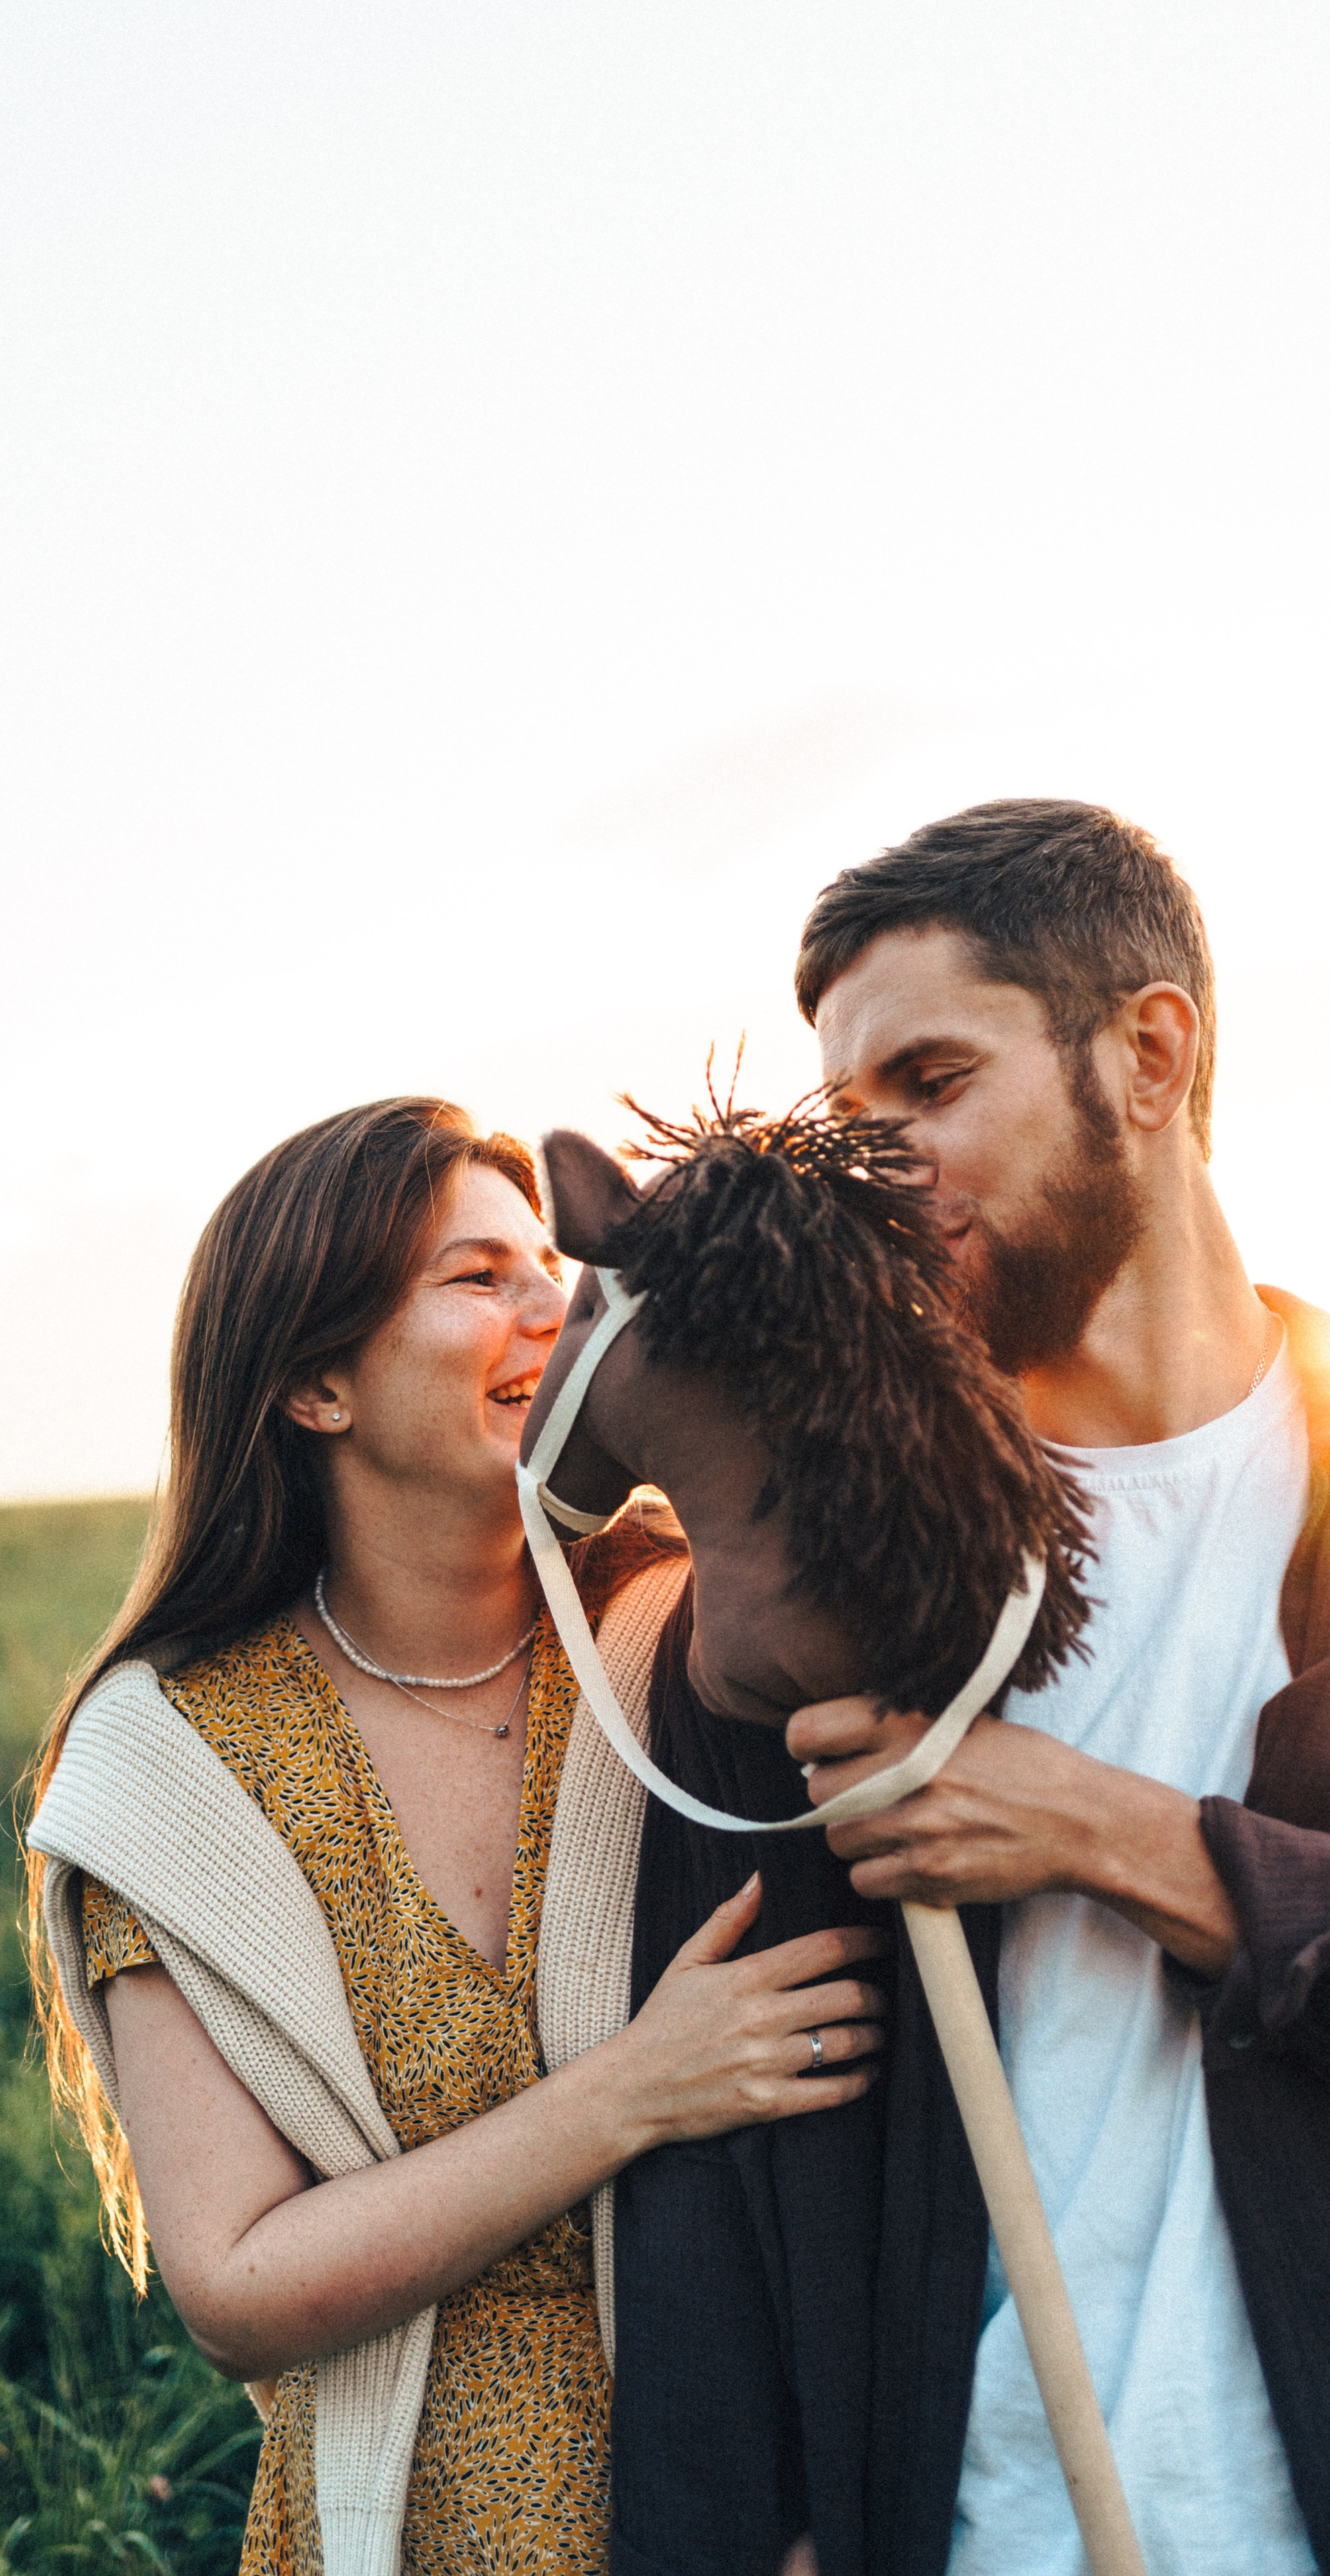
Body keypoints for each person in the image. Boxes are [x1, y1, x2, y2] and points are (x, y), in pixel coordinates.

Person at [21, 1095, 886, 2576]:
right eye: (478, 1278)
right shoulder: (180, 1765)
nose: (553, 1307)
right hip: (395, 2530)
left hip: (744, 2501)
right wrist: (636, 2090)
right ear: (317, 1386)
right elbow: (234, 2285)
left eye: (549, 1266)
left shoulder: (694, 1653)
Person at [609, 801, 1330, 2576]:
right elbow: (721, 2153)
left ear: (1148, 1055)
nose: (877, 1172)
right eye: (844, 1122)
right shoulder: (821, 1571)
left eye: (929, 1085)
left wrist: (1118, 1836)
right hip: (968, 2523)